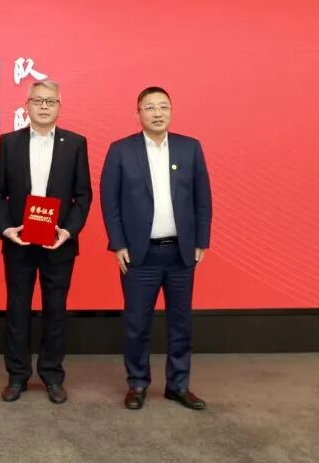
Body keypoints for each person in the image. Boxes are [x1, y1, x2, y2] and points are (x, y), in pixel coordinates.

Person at [100, 86, 212, 411]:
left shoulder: (190, 148)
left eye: (163, 106)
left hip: (180, 253)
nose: (157, 113)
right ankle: (137, 383)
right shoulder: (121, 150)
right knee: (137, 324)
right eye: (150, 107)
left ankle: (178, 385)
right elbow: (109, 201)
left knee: (181, 323)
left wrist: (201, 240)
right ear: (138, 113)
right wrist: (118, 243)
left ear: (171, 111)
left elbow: (203, 198)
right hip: (140, 255)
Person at [0, 80, 92, 404]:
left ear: (59, 106)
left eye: (50, 101)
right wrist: (7, 229)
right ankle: (17, 376)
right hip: (19, 243)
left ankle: (52, 375)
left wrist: (68, 231)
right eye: (37, 100)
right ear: (27, 105)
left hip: (58, 244)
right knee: (17, 310)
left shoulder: (75, 143)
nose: (44, 106)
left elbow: (83, 195)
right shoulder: (9, 142)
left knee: (55, 311)